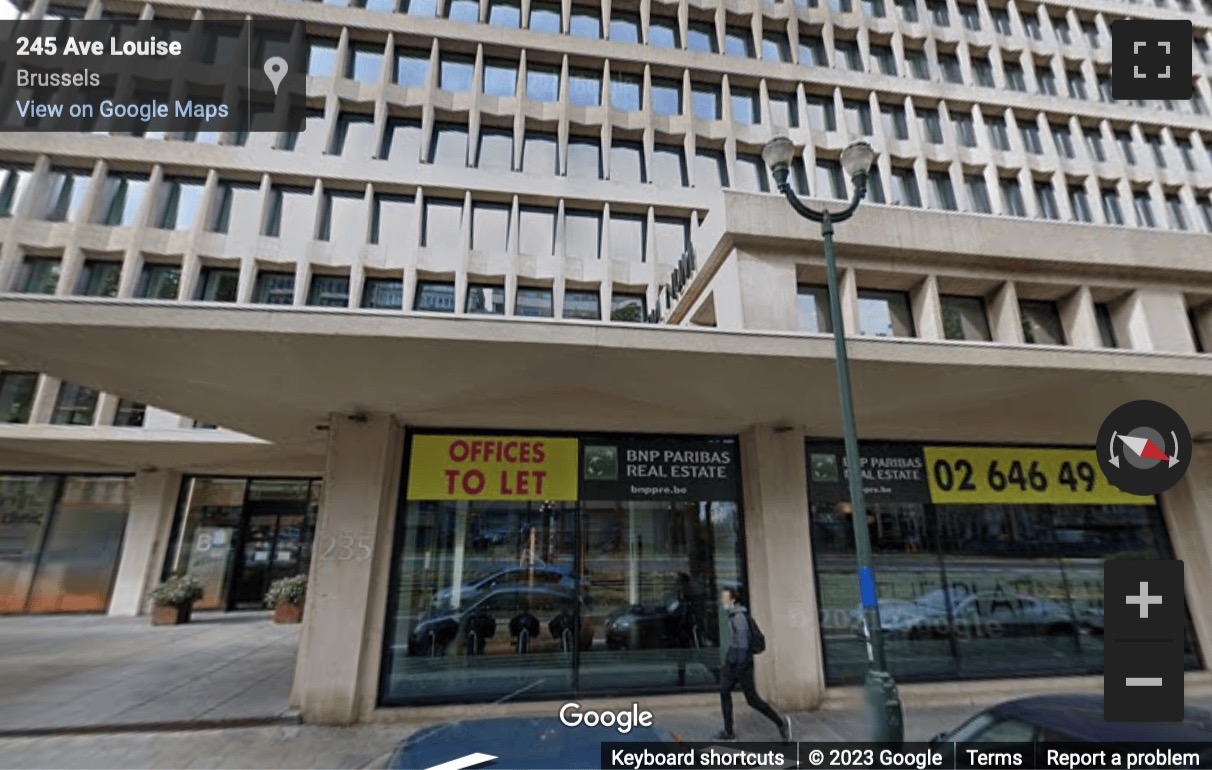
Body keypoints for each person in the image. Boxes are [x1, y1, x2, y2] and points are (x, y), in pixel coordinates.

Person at [715, 587, 791, 742]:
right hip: (733, 662)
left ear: (733, 599)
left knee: (752, 699)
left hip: (741, 664)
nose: (722, 600)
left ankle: (781, 723)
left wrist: (739, 666)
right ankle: (728, 732)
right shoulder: (732, 615)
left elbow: (743, 643)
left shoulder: (739, 617)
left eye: (724, 597)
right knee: (724, 692)